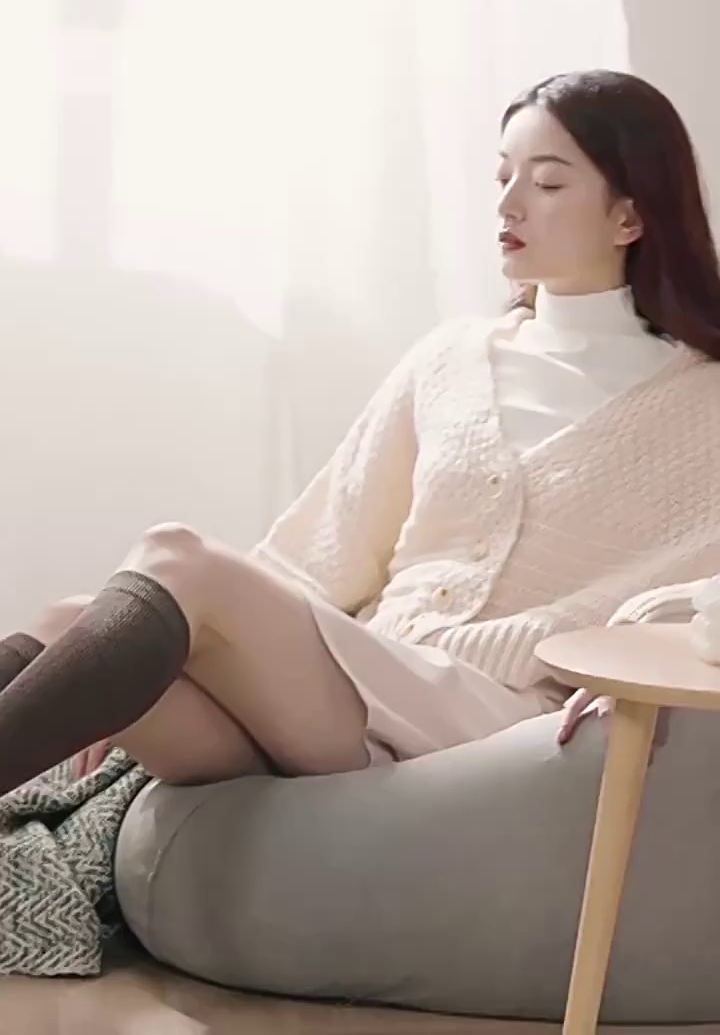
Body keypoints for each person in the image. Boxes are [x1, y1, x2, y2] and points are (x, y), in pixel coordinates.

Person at [2, 68, 720, 795]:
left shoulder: (704, 404)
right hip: (357, 690)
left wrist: (638, 657)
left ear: (629, 218)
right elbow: (317, 554)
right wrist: (141, 657)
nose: (508, 204)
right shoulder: (451, 359)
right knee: (71, 623)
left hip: (496, 723)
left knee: (174, 555)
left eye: (548, 182)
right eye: (503, 176)